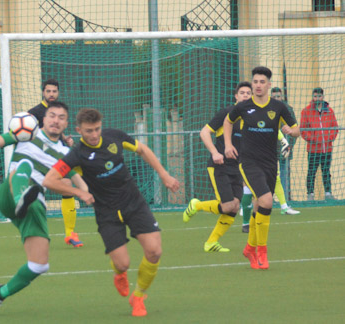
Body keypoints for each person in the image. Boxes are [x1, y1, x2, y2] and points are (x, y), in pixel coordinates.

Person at [43, 108, 180, 317]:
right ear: (79, 130)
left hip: (133, 202)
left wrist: (164, 175)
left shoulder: (114, 137)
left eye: (97, 129)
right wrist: (78, 192)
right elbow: (49, 180)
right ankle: (119, 273)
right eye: (89, 131)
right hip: (106, 211)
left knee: (154, 251)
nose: (94, 134)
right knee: (122, 263)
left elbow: (142, 150)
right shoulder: (76, 154)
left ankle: (139, 296)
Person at [0, 101, 89, 317]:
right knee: (25, 165)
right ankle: (21, 196)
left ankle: (0, 294)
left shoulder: (66, 153)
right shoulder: (27, 132)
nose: (56, 120)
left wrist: (86, 192)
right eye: (52, 115)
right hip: (9, 194)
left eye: (61, 117)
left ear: (66, 123)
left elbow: (76, 180)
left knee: (39, 265)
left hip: (34, 206)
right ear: (44, 119)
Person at [223, 66, 300, 270]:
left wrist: (290, 131)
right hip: (248, 162)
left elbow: (297, 130)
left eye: (261, 82)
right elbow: (228, 121)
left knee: (260, 205)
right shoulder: (243, 107)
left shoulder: (279, 107)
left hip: (269, 163)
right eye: (255, 81)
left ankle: (249, 248)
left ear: (268, 84)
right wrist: (229, 145)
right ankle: (262, 253)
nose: (257, 85)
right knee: (267, 201)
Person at [183, 81, 252, 251]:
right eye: (242, 92)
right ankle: (197, 205)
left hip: (237, 168)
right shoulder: (227, 113)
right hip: (219, 166)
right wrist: (215, 152)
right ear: (236, 96)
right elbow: (204, 132)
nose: (245, 95)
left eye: (248, 93)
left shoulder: (251, 118)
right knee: (228, 205)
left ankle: (211, 242)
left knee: (234, 207)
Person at [28, 79, 83, 247]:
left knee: (67, 186)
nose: (51, 94)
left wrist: (65, 139)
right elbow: (27, 133)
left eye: (54, 91)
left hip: (56, 157)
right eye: (48, 91)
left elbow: (56, 132)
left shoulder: (59, 111)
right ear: (43, 92)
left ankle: (70, 233)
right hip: (38, 158)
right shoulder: (34, 113)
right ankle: (32, 232)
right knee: (34, 195)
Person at [300, 87, 338, 200]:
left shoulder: (329, 111)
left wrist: (329, 138)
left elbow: (335, 127)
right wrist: (313, 139)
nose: (317, 98)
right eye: (315, 96)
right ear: (312, 97)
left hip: (327, 148)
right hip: (313, 149)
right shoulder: (306, 111)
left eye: (319, 96)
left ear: (323, 97)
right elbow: (303, 129)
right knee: (311, 171)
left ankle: (328, 193)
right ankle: (310, 194)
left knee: (326, 171)